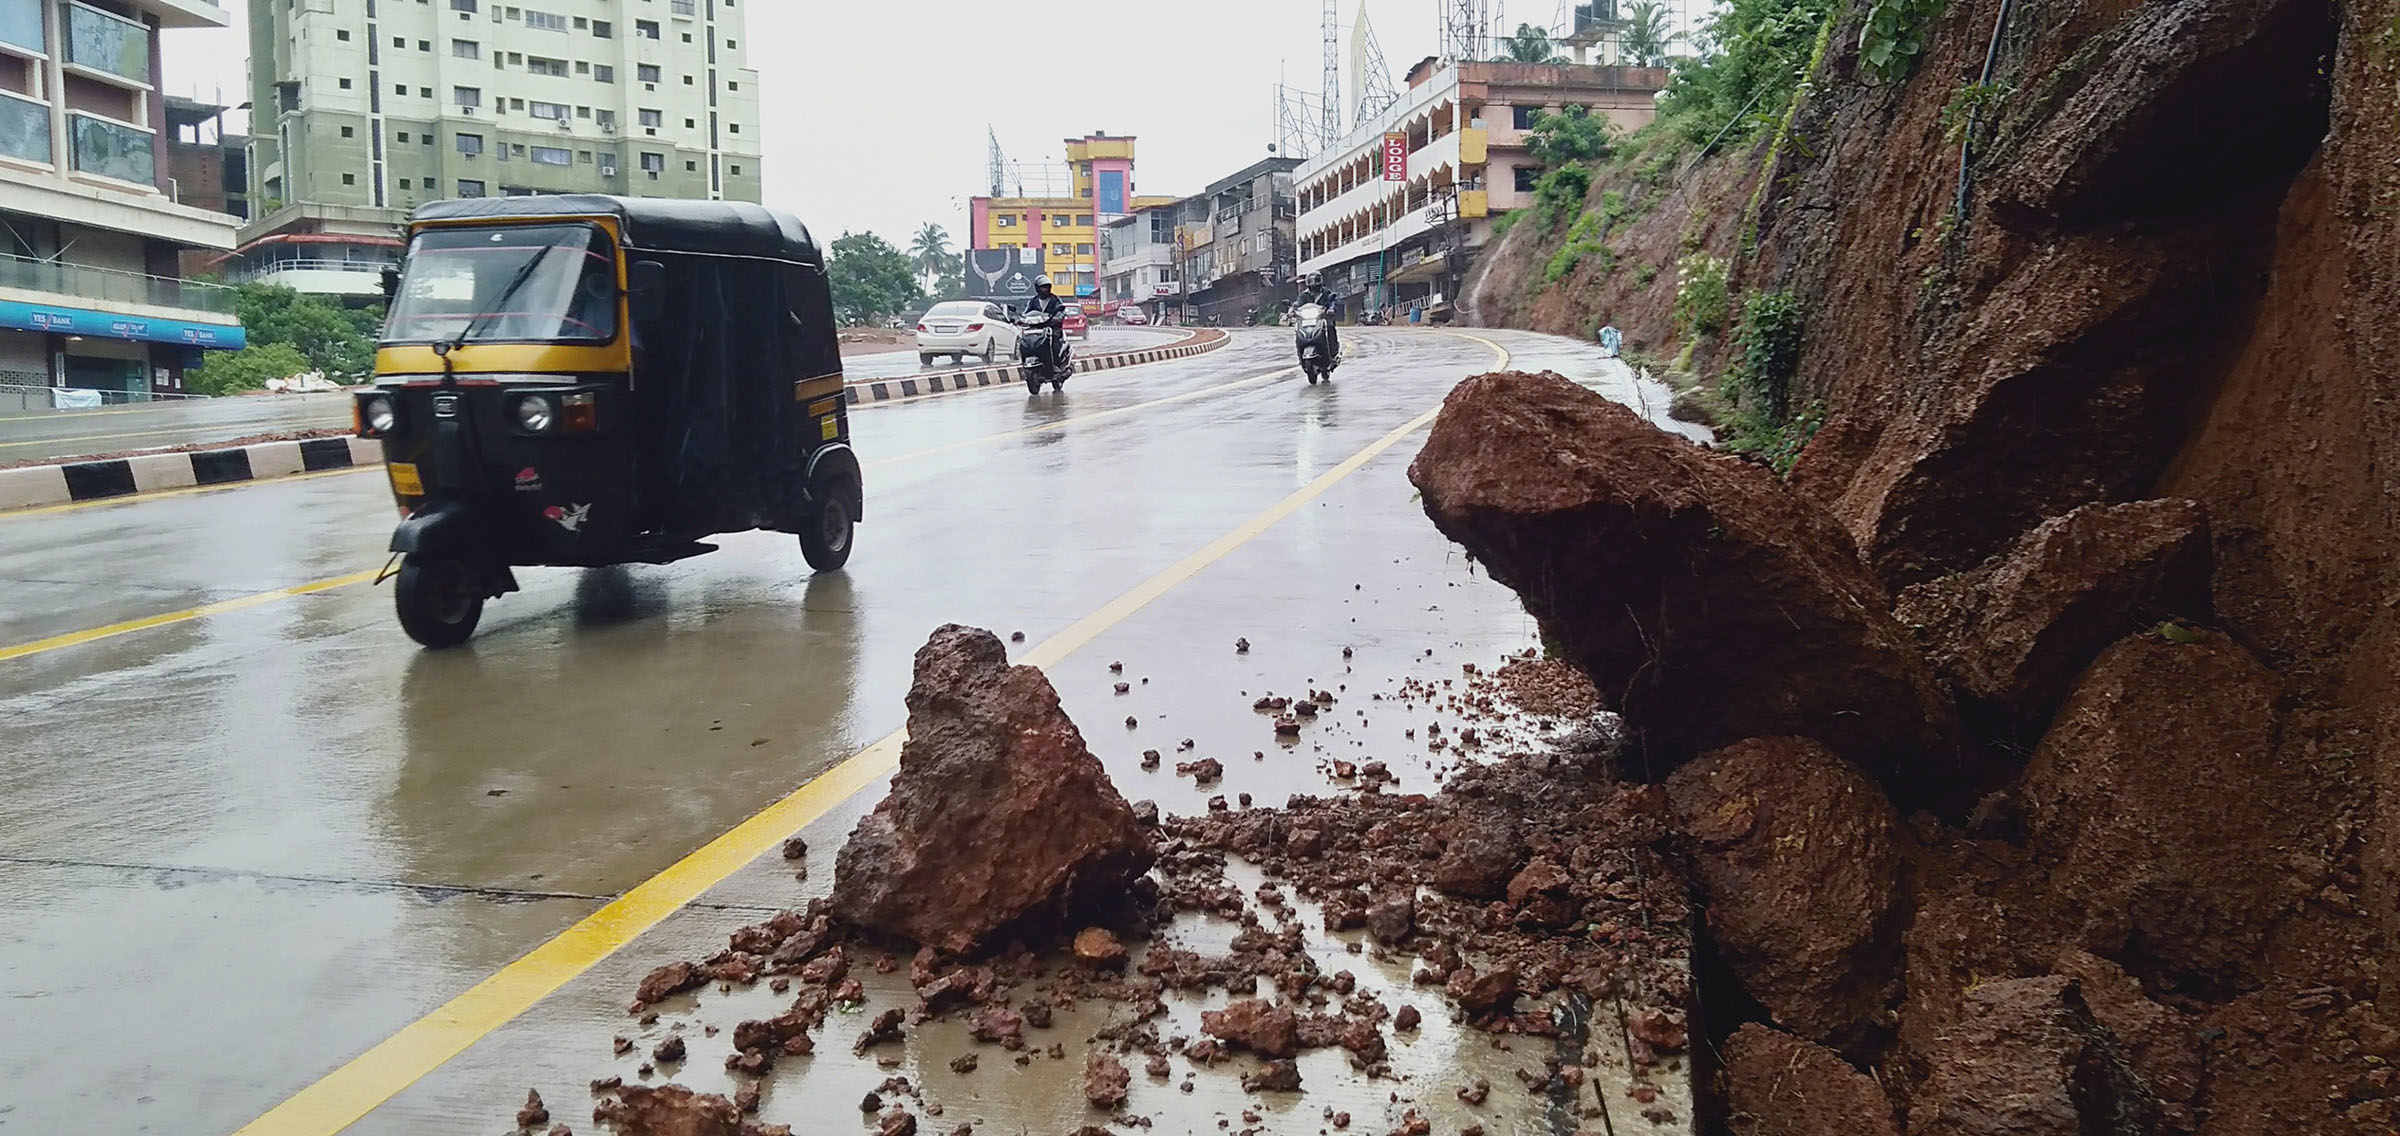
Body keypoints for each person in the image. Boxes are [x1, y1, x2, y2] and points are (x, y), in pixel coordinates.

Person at [1295, 273, 1341, 363]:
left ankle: (1333, 353)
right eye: (1311, 281)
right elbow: (1297, 303)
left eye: (1315, 281)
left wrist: (1331, 308)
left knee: (1330, 328)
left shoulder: (1326, 292)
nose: (1313, 284)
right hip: (1308, 320)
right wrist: (1292, 310)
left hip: (1323, 319)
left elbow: (1333, 301)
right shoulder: (1304, 295)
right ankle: (1299, 354)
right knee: (1298, 331)